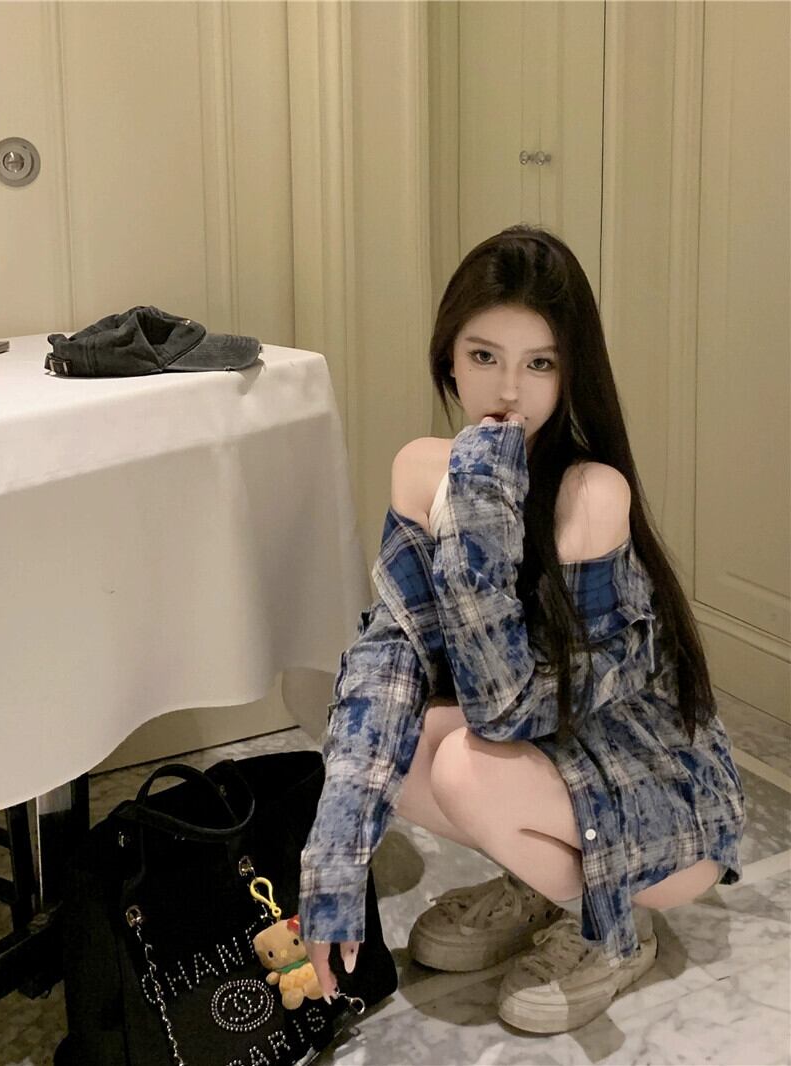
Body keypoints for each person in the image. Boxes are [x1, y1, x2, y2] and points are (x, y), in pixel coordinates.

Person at [297, 224, 746, 1034]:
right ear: (448, 358)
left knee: (466, 766)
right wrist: (333, 867)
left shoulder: (591, 494)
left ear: (571, 374)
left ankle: (614, 927)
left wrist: (478, 493)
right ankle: (539, 885)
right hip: (554, 767)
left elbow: (506, 706)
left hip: (655, 802)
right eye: (484, 356)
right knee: (392, 746)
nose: (508, 390)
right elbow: (389, 658)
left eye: (539, 363)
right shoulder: (419, 467)